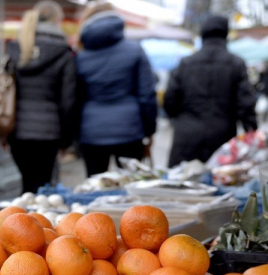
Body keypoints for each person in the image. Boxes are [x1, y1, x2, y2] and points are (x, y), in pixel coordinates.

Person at [76, 1, 157, 177]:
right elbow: (147, 95)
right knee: (131, 189)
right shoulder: (135, 51)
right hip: (130, 129)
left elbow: (76, 97)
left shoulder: (80, 57)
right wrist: (150, 130)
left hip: (92, 131)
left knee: (95, 189)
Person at [164, 16, 257, 167]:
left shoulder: (186, 63)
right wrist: (251, 132)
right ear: (225, 34)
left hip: (187, 134)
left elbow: (170, 100)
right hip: (222, 135)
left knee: (179, 182)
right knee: (219, 184)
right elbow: (245, 104)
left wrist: (179, 120)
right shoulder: (236, 63)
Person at [8, 1, 76, 193]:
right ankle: (39, 222)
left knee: (26, 184)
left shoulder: (17, 48)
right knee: (43, 186)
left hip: (18, 130)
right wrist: (67, 141)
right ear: (57, 20)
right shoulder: (63, 53)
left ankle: (19, 222)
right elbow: (68, 101)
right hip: (49, 131)